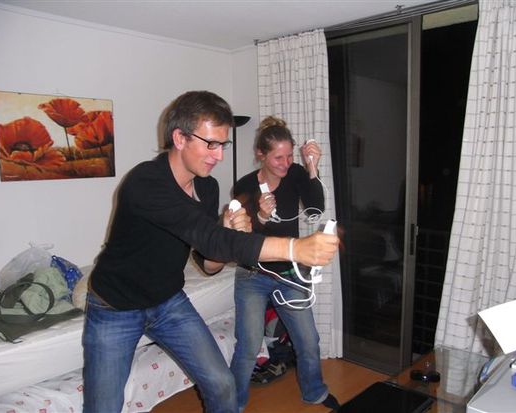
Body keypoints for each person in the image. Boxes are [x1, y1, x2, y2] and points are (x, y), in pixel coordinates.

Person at [82, 92, 339, 413]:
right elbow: (211, 238)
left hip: (167, 302)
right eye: (211, 144)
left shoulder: (207, 187)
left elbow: (210, 263)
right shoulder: (145, 182)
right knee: (103, 407)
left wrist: (229, 232)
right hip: (115, 306)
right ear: (180, 138)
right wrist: (294, 247)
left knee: (222, 384)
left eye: (222, 145)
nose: (218, 155)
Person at [230, 116, 341, 411]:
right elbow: (240, 237)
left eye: (290, 156)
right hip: (252, 275)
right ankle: (232, 404)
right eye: (278, 157)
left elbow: (315, 209)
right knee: (248, 346)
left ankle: (314, 392)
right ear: (261, 154)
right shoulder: (244, 185)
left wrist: (312, 167)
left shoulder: (296, 174)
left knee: (308, 340)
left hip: (290, 273)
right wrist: (260, 217)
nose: (286, 163)